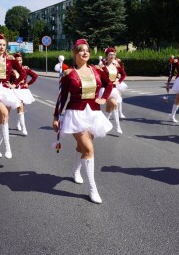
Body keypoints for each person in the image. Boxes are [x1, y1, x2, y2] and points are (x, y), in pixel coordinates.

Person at [52, 39, 113, 204]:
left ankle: (75, 170)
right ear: (75, 54)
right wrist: (56, 117)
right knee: (88, 148)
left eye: (87, 50)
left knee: (82, 147)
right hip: (75, 114)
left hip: (93, 113)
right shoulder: (69, 74)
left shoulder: (96, 70)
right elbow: (62, 97)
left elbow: (109, 85)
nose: (85, 53)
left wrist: (103, 99)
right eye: (81, 50)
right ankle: (92, 188)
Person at [100, 47, 127, 134]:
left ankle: (104, 123)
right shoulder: (103, 67)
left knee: (109, 108)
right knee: (115, 105)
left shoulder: (117, 66)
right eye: (110, 54)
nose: (112, 56)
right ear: (107, 56)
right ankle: (117, 127)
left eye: (113, 54)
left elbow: (124, 75)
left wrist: (118, 81)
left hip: (114, 89)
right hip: (105, 89)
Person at [11, 53, 36, 136]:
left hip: (23, 91)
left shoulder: (25, 69)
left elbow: (35, 76)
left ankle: (19, 124)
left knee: (21, 108)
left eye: (20, 60)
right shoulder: (10, 69)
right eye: (17, 60)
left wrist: (28, 84)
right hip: (14, 91)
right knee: (20, 106)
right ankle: (24, 128)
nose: (19, 62)